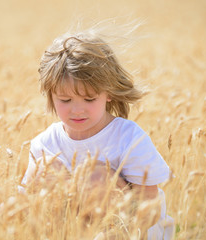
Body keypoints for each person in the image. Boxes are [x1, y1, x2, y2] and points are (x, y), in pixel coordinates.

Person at [22, 30, 174, 239]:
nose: (77, 110)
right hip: (74, 233)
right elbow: (20, 204)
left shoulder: (127, 137)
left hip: (131, 233)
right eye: (65, 100)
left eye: (89, 99)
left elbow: (151, 207)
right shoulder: (45, 144)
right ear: (50, 95)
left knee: (95, 177)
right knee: (45, 171)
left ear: (108, 93)